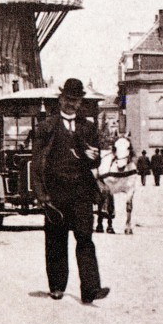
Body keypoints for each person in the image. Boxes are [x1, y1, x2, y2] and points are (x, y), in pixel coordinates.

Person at [31, 78, 110, 304]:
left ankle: (91, 290)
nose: (72, 104)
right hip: (55, 194)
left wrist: (92, 158)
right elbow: (37, 163)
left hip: (81, 193)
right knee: (56, 240)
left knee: (85, 239)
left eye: (76, 101)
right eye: (68, 99)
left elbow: (95, 163)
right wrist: (41, 195)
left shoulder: (88, 128)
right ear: (61, 99)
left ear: (80, 102)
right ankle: (56, 286)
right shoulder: (47, 127)